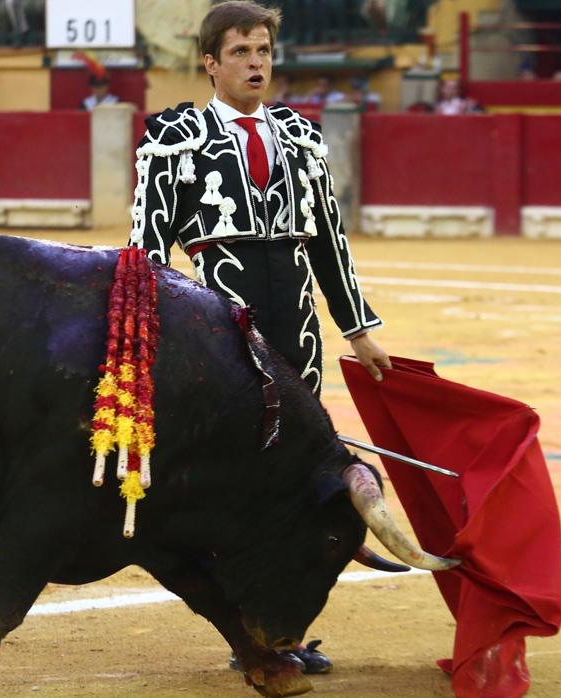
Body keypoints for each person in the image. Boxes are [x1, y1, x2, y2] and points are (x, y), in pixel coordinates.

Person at [127, 3, 391, 674]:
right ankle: (244, 630)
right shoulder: (176, 135)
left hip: (296, 338)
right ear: (211, 62)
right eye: (240, 51)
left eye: (264, 51)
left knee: (295, 484)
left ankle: (284, 629)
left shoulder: (301, 137)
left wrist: (358, 328)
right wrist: (141, 336)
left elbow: (330, 242)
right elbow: (147, 248)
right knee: (237, 483)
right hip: (224, 339)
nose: (255, 63)